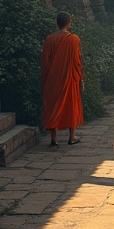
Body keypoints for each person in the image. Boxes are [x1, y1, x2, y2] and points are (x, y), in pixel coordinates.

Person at [41, 11, 83, 147]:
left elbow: (45, 62)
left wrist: (45, 78)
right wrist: (79, 75)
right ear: (69, 22)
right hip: (68, 77)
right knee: (71, 105)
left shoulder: (49, 39)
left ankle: (54, 137)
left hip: (52, 79)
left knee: (53, 106)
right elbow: (76, 61)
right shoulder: (74, 39)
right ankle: (72, 136)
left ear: (57, 23)